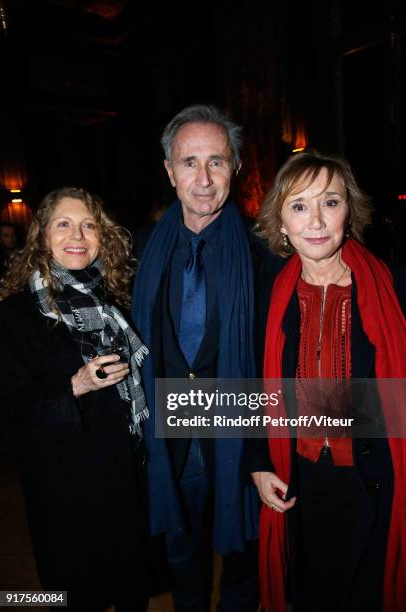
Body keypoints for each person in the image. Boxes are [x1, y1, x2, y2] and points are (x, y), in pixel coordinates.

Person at [131, 104, 282, 612]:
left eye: (216, 161)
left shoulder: (266, 256)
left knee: (243, 560)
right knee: (183, 559)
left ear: (235, 168)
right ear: (169, 170)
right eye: (188, 162)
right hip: (170, 439)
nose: (202, 178)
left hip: (241, 435)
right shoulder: (136, 253)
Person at [250, 150, 406, 611]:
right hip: (299, 482)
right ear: (280, 221)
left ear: (349, 213)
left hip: (376, 479)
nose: (315, 220)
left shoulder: (394, 286)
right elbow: (251, 387)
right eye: (299, 206)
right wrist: (259, 462)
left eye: (330, 202)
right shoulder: (267, 293)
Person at [0, 187, 150, 612]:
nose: (77, 235)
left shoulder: (117, 301)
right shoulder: (14, 316)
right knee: (74, 596)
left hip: (125, 481)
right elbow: (8, 416)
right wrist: (75, 386)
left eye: (89, 224)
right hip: (64, 495)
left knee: (131, 592)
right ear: (42, 236)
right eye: (63, 224)